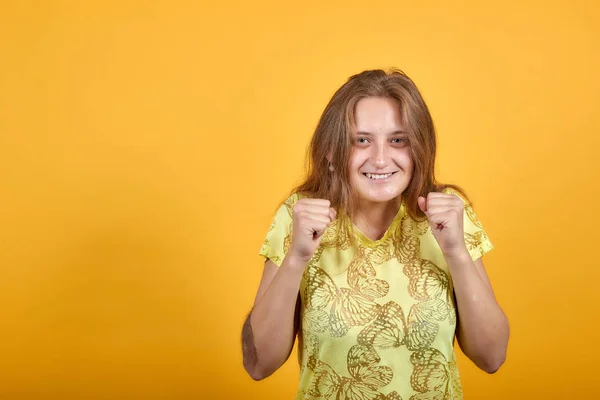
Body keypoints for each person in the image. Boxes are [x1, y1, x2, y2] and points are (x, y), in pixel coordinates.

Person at [241, 69, 509, 399]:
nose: (380, 159)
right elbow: (259, 364)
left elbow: (492, 357)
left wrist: (456, 252)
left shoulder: (449, 215)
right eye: (361, 140)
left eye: (398, 140)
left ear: (418, 149)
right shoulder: (300, 214)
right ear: (331, 151)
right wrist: (296, 257)